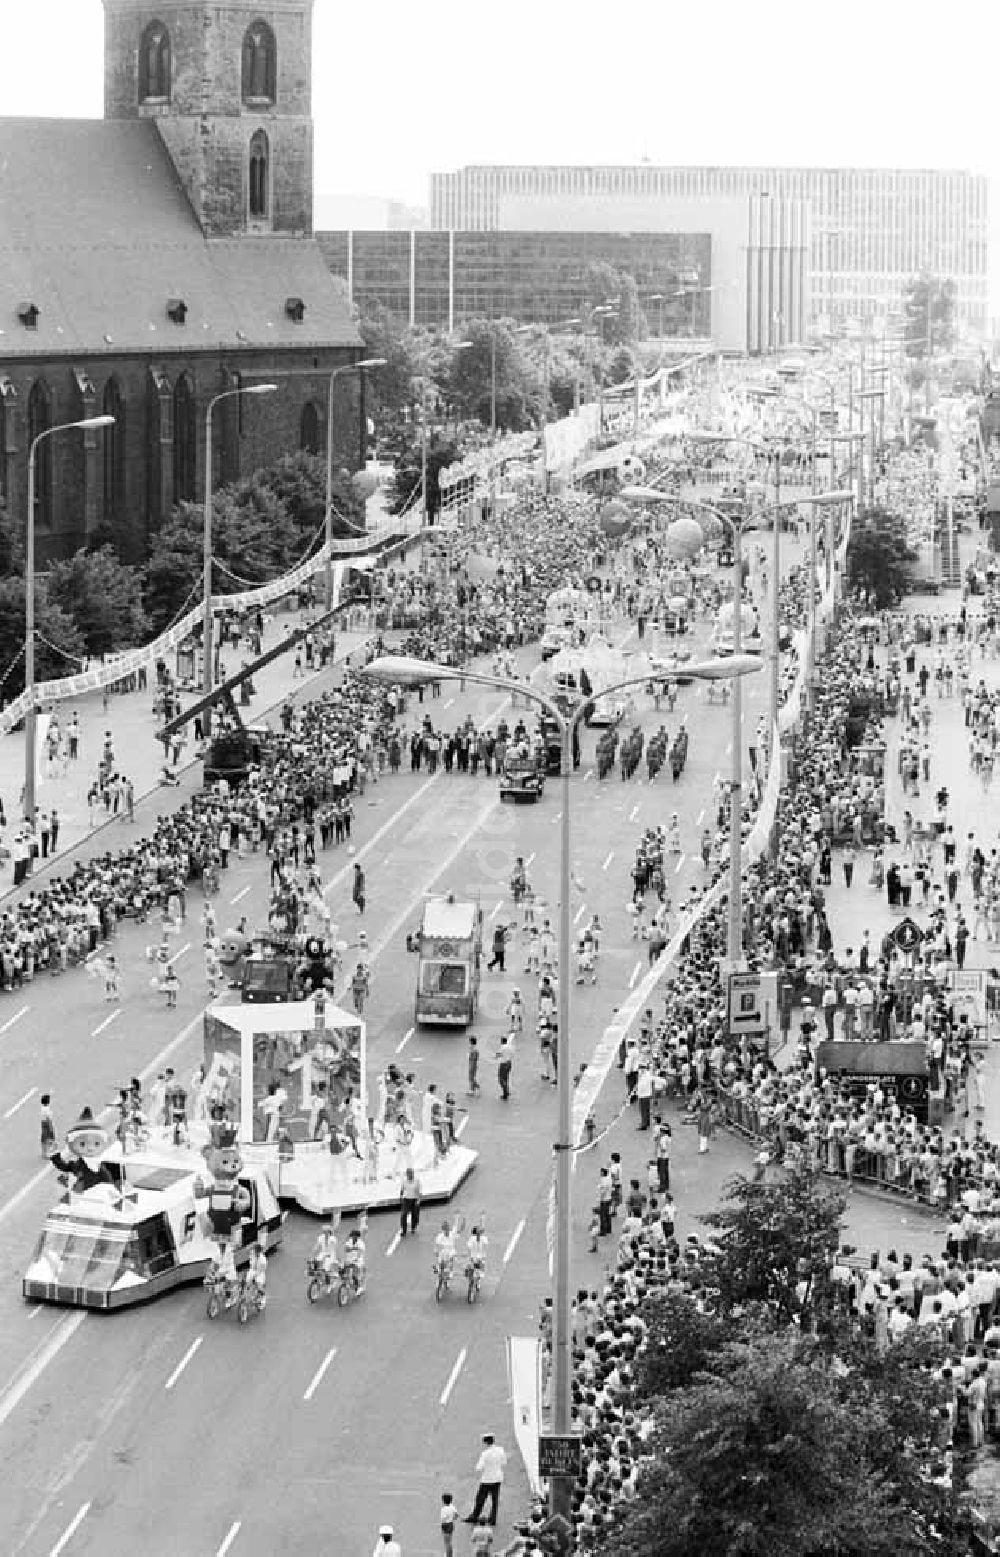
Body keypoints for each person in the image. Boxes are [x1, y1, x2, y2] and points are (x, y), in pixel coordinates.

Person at [465, 1433, 507, 1527]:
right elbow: (504, 1462)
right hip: (498, 1478)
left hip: (487, 1479)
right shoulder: (501, 1450)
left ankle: (475, 1516)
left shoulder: (485, 1454)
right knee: (495, 1499)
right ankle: (493, 1519)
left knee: (480, 1499)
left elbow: (479, 1468)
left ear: (486, 1442)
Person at [342, 1227, 367, 1291]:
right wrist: (352, 1248)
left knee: (354, 1275)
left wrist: (357, 1258)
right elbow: (346, 1249)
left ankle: (358, 1288)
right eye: (352, 1236)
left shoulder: (361, 1243)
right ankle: (345, 1283)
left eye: (354, 1236)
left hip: (358, 1261)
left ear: (357, 1237)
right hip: (349, 1259)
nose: (353, 1237)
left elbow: (360, 1252)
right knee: (343, 1271)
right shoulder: (349, 1241)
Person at [399, 1167, 421, 1236]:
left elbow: (419, 1191)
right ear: (407, 1174)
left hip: (414, 1199)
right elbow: (402, 1190)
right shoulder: (404, 1181)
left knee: (415, 1215)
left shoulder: (417, 1181)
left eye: (412, 1173)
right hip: (406, 1199)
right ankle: (404, 1230)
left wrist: (418, 1200)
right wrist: (401, 1197)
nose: (411, 1175)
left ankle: (413, 1227)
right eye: (409, 1174)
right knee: (403, 1214)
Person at [439, 1492, 458, 1557]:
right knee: (449, 1540)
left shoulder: (443, 1509)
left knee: (447, 1542)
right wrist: (453, 1519)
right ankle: (450, 1554)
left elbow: (443, 1518)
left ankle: (448, 1555)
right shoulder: (452, 1507)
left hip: (445, 1525)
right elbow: (456, 1515)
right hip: (451, 1524)